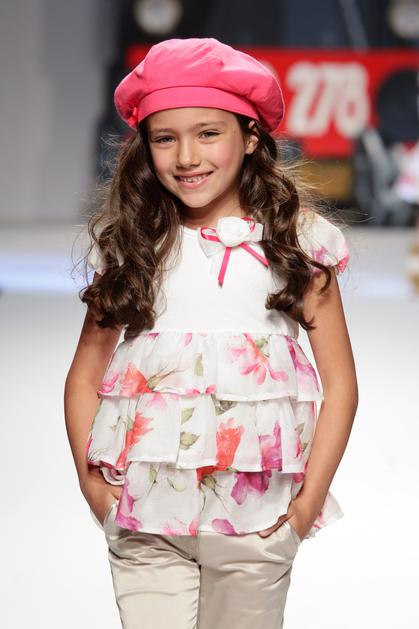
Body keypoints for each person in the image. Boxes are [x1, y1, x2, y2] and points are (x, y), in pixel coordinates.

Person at [64, 37, 358, 629]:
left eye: (207, 133)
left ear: (249, 137)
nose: (186, 156)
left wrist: (304, 508)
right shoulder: (135, 246)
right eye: (165, 138)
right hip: (145, 517)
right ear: (145, 147)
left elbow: (341, 384)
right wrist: (93, 488)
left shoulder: (297, 244)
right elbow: (86, 372)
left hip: (256, 521)